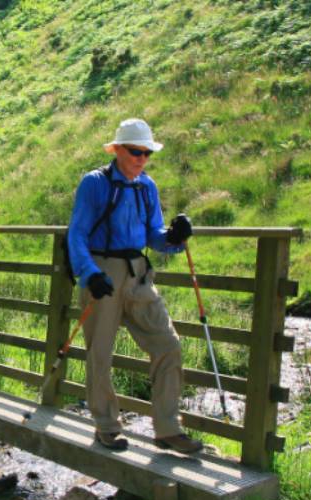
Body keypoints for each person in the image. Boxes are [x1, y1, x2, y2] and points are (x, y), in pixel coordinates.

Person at [66, 118, 200, 453]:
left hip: (138, 273)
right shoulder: (94, 183)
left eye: (147, 153)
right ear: (117, 150)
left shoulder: (147, 187)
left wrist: (174, 237)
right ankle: (107, 426)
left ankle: (168, 429)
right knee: (100, 353)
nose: (141, 158)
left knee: (168, 344)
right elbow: (77, 233)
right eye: (135, 151)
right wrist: (89, 272)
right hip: (102, 272)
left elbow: (154, 235)